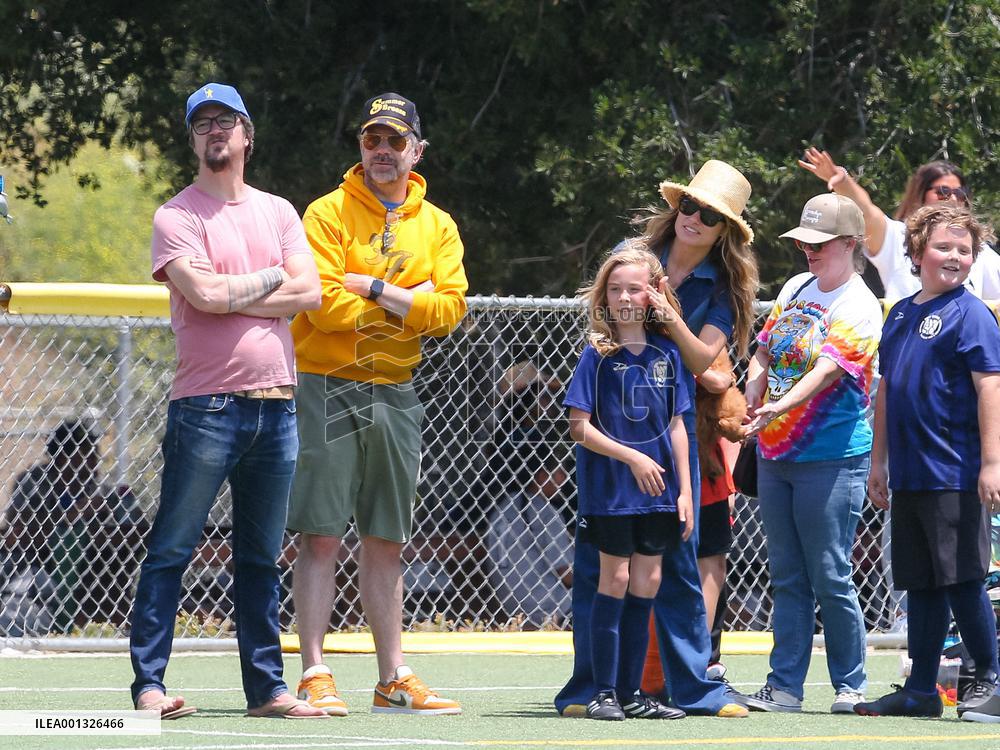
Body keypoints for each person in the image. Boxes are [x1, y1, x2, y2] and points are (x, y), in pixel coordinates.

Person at [130, 82, 325, 720]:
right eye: (202, 124)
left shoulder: (279, 211)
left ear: (246, 136)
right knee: (173, 548)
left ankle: (267, 691)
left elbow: (310, 293)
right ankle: (149, 687)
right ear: (193, 140)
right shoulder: (177, 216)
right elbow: (206, 297)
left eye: (226, 121)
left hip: (278, 405)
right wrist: (271, 280)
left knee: (261, 558)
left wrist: (234, 291)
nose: (215, 131)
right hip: (206, 407)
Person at [555, 160, 758, 719]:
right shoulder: (634, 255)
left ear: (725, 230)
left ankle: (691, 688)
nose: (694, 218)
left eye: (710, 215)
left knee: (678, 565)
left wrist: (668, 313)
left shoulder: (722, 286)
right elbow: (602, 325)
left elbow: (702, 360)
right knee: (599, 568)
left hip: (672, 431)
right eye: (689, 206)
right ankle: (590, 690)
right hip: (609, 431)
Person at [287, 92, 467, 716]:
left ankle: (393, 677)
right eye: (372, 140)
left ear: (418, 150)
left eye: (395, 140)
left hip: (396, 390)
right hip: (327, 383)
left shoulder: (437, 224)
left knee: (386, 537)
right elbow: (321, 303)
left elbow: (449, 311)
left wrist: (371, 286)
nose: (382, 151)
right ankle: (314, 672)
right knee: (320, 535)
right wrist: (405, 301)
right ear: (361, 148)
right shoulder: (326, 212)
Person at [856, 205, 1000, 721]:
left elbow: (990, 387)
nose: (955, 256)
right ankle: (920, 690)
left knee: (962, 578)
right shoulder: (899, 314)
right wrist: (879, 462)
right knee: (921, 582)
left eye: (965, 249)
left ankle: (991, 679)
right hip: (911, 474)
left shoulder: (972, 314)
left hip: (955, 472)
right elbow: (887, 390)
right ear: (916, 253)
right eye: (943, 247)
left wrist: (992, 463)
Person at [741, 193, 882, 713]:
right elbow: (764, 348)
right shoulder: (796, 286)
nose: (809, 250)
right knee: (787, 575)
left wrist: (777, 406)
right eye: (804, 242)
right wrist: (753, 388)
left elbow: (826, 372)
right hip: (776, 455)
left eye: (820, 243)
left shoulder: (860, 304)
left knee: (830, 573)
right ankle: (784, 687)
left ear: (851, 243)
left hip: (832, 457)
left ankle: (850, 684)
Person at [563, 247, 692, 720]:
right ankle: (603, 693)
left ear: (652, 295)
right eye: (614, 289)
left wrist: (685, 491)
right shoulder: (596, 355)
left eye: (633, 289)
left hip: (659, 495)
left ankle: (634, 693)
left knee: (648, 581)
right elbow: (579, 427)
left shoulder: (669, 353)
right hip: (612, 494)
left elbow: (677, 425)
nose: (623, 298)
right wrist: (633, 457)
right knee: (614, 579)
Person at [798, 148, 1000, 304]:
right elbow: (867, 213)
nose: (953, 199)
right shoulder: (900, 237)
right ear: (921, 194)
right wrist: (842, 181)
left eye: (960, 192)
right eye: (943, 192)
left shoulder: (980, 251)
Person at [2, 420, 143, 634]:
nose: (95, 458)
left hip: (90, 564)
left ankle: (110, 626)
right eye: (87, 452)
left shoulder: (102, 488)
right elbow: (19, 532)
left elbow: (136, 531)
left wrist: (101, 527)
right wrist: (74, 515)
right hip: (39, 565)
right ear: (63, 457)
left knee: (108, 564)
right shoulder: (35, 480)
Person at [486, 458, 574, 628]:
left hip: (507, 600)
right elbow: (565, 573)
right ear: (542, 476)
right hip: (545, 601)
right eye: (560, 472)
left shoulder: (505, 504)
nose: (564, 478)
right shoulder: (545, 512)